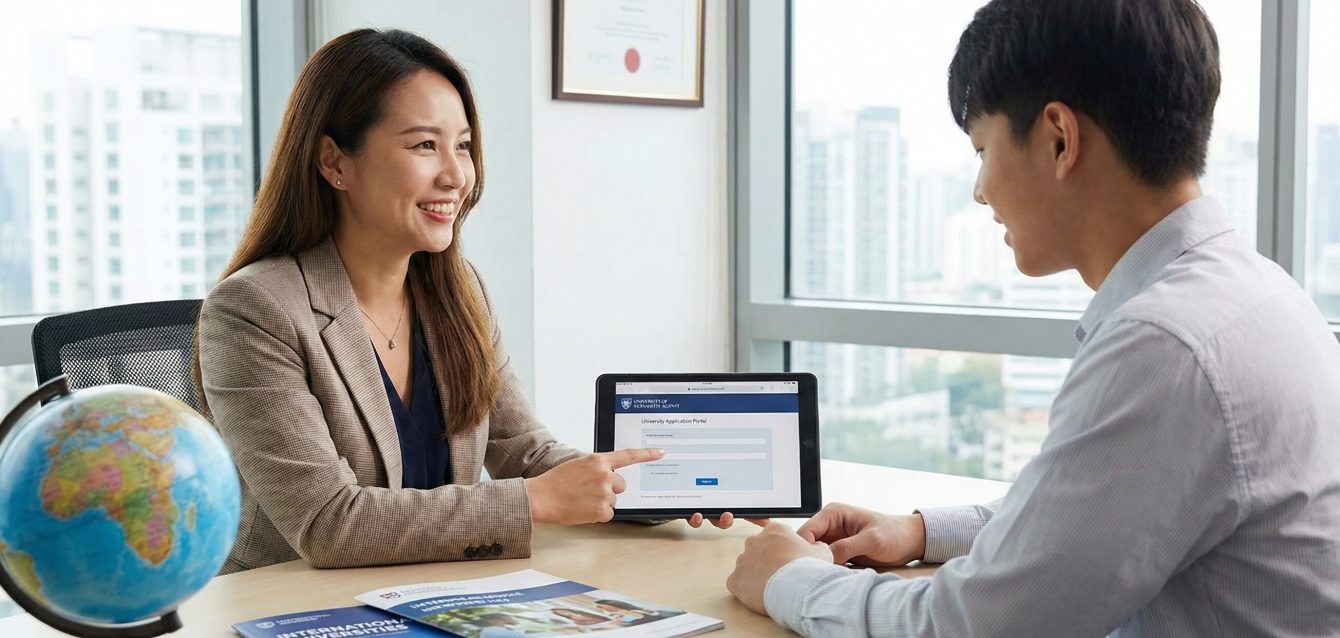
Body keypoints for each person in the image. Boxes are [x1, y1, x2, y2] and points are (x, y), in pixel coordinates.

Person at [725, 0, 1340, 635]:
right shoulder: (1256, 293)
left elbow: (976, 627)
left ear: (1058, 138)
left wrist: (786, 579)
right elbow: (1086, 520)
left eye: (982, 148)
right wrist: (920, 530)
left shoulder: (1165, 345)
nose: (980, 189)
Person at [194, 28, 669, 574]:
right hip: (302, 611)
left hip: (440, 594)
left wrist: (661, 493)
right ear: (335, 163)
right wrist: (534, 501)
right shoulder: (253, 310)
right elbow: (328, 524)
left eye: (462, 145)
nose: (457, 175)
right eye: (425, 145)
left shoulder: (458, 291)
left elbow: (526, 451)